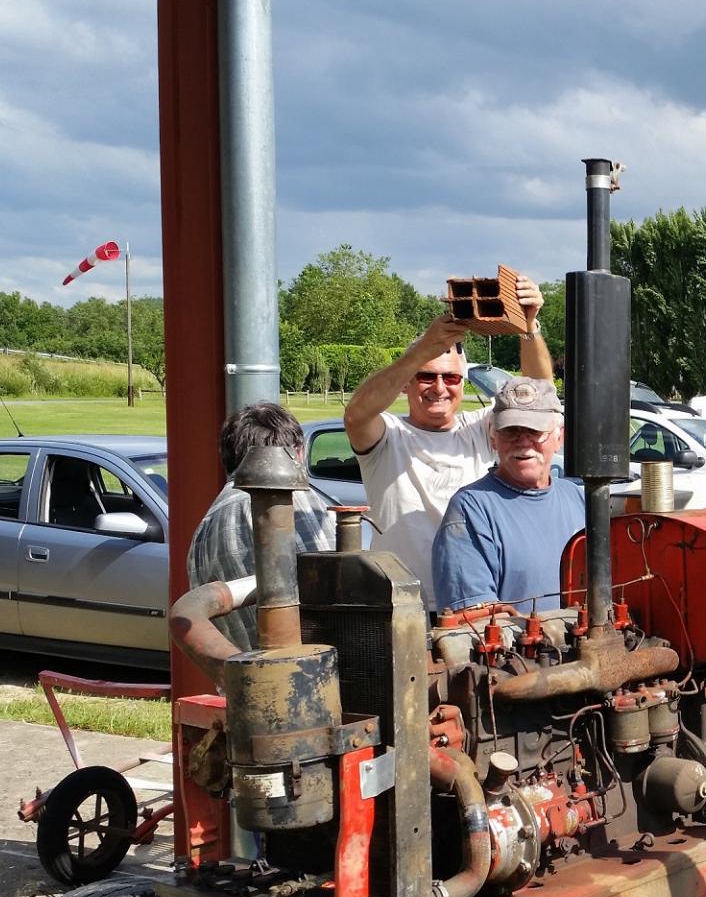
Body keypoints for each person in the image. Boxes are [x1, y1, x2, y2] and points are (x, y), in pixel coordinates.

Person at [345, 274, 552, 601]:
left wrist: (529, 328)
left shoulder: (479, 430)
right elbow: (357, 414)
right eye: (426, 376)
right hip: (402, 606)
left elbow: (537, 396)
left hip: (472, 601)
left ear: (463, 382)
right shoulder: (389, 437)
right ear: (406, 382)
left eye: (451, 378)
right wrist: (423, 349)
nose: (439, 388)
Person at [187, 403, 336, 650]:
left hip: (243, 678)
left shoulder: (205, 526)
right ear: (295, 453)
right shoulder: (289, 499)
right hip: (309, 675)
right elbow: (332, 587)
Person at [431, 377, 585, 612]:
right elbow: (474, 620)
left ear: (559, 437)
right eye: (511, 431)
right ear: (493, 437)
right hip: (520, 649)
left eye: (535, 431)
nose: (523, 442)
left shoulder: (579, 499)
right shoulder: (470, 510)